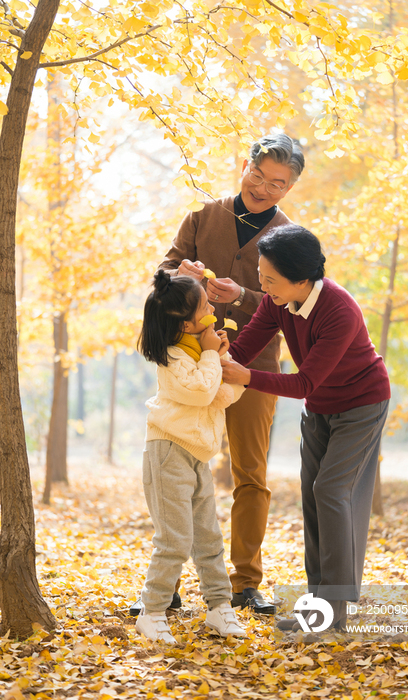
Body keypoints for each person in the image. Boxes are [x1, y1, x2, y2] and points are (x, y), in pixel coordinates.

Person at [155, 134, 305, 614]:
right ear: (244, 166)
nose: (263, 188)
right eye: (258, 175)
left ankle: (245, 583)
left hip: (253, 366)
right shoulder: (202, 215)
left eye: (277, 184)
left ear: (290, 188)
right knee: (174, 472)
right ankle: (167, 583)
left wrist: (240, 296)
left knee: (250, 475)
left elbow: (297, 302)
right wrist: (185, 277)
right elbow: (162, 275)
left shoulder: (291, 239)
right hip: (186, 357)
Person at [221, 224, 391, 631]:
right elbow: (245, 347)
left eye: (269, 280)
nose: (262, 286)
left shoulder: (339, 310)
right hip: (320, 409)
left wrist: (244, 378)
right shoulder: (278, 301)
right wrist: (215, 357)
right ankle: (318, 608)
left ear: (302, 279)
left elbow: (302, 382)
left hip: (361, 403)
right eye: (260, 276)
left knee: (331, 491)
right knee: (313, 496)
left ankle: (334, 612)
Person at [135, 270, 246, 643]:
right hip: (168, 453)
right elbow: (199, 392)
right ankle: (151, 612)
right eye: (205, 307)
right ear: (186, 324)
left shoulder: (202, 354)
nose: (213, 308)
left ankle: (219, 607)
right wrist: (213, 357)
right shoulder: (173, 358)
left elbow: (219, 396)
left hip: (198, 456)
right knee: (175, 541)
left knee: (209, 539)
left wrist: (230, 373)